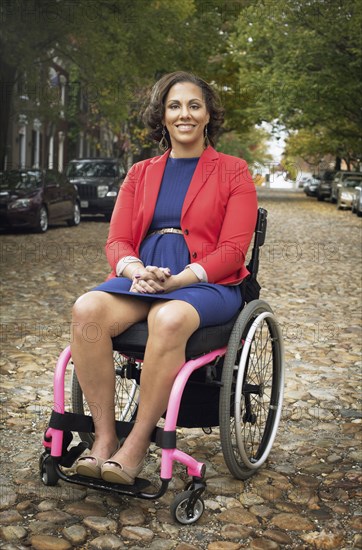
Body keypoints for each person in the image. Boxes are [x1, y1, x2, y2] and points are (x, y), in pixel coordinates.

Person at [72, 71, 258, 484]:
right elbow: (117, 240)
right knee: (87, 309)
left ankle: (136, 444)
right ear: (163, 115)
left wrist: (178, 281)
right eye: (175, 106)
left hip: (208, 284)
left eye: (194, 105)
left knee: (169, 318)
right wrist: (137, 271)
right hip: (143, 277)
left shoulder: (233, 171)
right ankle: (103, 440)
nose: (184, 114)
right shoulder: (140, 173)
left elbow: (232, 250)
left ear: (209, 114)